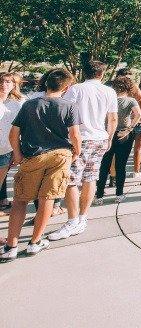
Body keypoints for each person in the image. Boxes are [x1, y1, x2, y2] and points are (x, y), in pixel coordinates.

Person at [1, 68, 81, 261]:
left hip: (33, 156)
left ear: (46, 83)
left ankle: (11, 246)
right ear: (67, 87)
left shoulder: (29, 105)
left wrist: (18, 156)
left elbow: (14, 135)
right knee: (48, 198)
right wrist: (75, 154)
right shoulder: (69, 106)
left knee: (20, 199)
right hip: (60, 156)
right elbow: (75, 135)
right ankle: (34, 243)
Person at [48, 61, 116, 242]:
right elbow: (113, 118)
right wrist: (109, 138)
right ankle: (82, 218)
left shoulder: (76, 89)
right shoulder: (109, 91)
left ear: (83, 72)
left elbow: (64, 112)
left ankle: (72, 220)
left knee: (71, 180)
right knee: (90, 178)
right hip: (100, 137)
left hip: (80, 137)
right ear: (102, 73)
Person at [95, 77, 141, 203]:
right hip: (124, 134)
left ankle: (99, 195)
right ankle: (119, 194)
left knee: (104, 165)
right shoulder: (131, 100)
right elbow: (138, 114)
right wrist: (130, 128)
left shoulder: (108, 99)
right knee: (121, 165)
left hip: (106, 132)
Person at [0, 72, 24, 217]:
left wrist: (17, 152)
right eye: (1, 81)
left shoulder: (16, 105)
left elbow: (19, 131)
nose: (4, 85)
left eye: (8, 82)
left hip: (5, 151)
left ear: (14, 85)